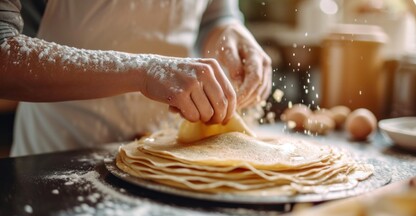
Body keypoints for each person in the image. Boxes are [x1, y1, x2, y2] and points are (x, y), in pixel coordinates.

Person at [0, 0, 272, 156]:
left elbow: (214, 13)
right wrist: (143, 70)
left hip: (169, 159)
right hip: (59, 157)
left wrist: (230, 29)